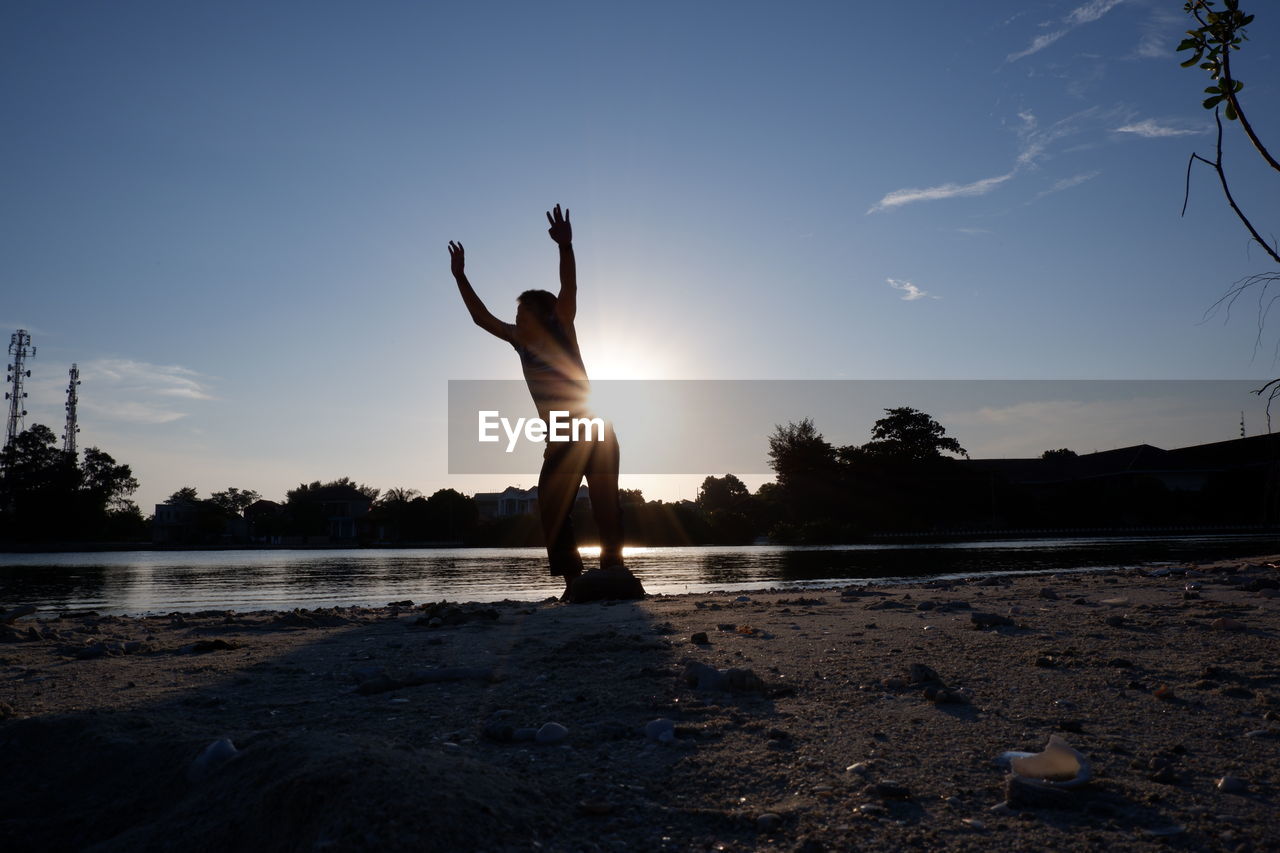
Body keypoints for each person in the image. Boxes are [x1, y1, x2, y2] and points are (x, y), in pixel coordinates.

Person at [448, 204, 644, 602]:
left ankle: (613, 573)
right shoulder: (520, 342)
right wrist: (460, 276)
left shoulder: (562, 327)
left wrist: (566, 248)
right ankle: (574, 578)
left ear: (543, 313)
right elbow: (480, 317)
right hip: (561, 435)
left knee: (608, 505)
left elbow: (569, 288)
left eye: (522, 310)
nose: (516, 316)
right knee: (553, 506)